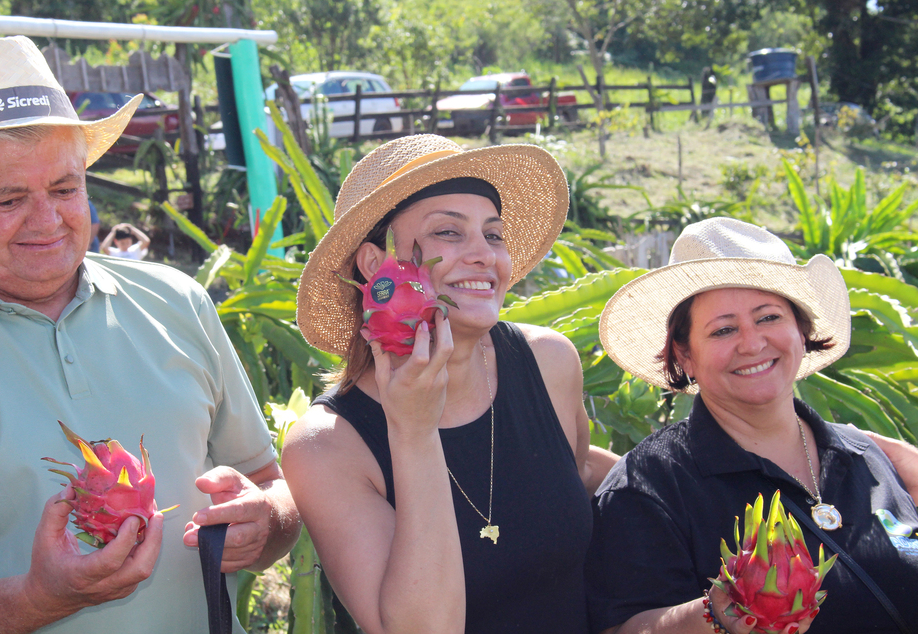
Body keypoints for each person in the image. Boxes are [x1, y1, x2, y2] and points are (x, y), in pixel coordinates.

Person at [0, 36, 300, 633]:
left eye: (65, 188)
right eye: (9, 198)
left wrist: (266, 520)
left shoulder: (177, 300)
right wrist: (38, 599)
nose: (48, 220)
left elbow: (272, 486)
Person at [283, 135, 619, 634]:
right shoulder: (326, 448)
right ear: (375, 266)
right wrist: (414, 432)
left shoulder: (550, 362)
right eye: (449, 232)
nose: (485, 255)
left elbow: (580, 475)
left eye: (494, 235)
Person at [588, 217, 918, 634]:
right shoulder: (649, 487)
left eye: (768, 318)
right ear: (685, 355)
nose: (752, 343)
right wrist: (715, 614)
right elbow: (619, 627)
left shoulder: (865, 455)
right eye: (723, 329)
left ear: (801, 328)